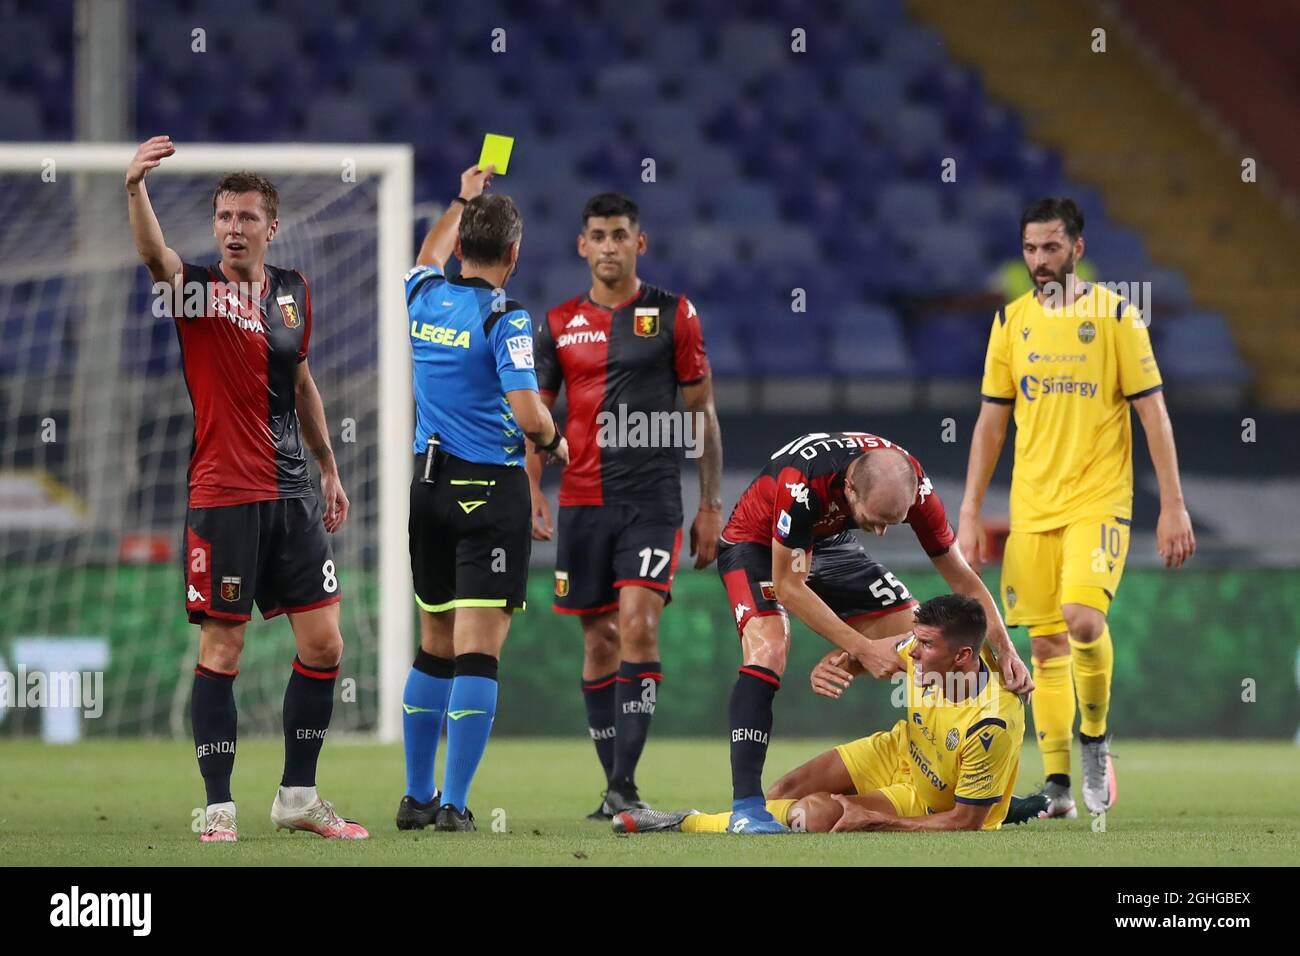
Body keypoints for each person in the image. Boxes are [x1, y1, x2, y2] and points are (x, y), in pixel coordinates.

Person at [126, 135, 365, 842]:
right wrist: (134, 188)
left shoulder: (292, 293)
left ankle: (298, 794)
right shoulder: (195, 288)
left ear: (271, 227)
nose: (233, 228)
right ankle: (220, 805)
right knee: (222, 651)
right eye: (224, 217)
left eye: (246, 218)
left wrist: (328, 465)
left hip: (292, 494)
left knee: (325, 645)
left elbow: (300, 382)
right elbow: (152, 256)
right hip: (225, 494)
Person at [960, 198, 1195, 818]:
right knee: (1044, 650)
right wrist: (968, 511)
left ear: (1077, 250)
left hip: (1100, 500)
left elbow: (1153, 413)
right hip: (1032, 507)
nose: (1040, 261)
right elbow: (991, 423)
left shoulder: (1116, 317)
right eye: (1031, 250)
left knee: (1083, 620)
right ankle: (1059, 786)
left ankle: (1095, 737)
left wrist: (1173, 505)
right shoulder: (1011, 323)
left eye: (1052, 249)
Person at [714, 431, 1032, 834]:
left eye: (891, 523)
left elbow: (963, 580)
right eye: (876, 521)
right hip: (758, 546)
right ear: (849, 489)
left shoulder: (913, 484)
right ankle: (746, 805)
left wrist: (1006, 650)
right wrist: (860, 649)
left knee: (929, 643)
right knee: (769, 650)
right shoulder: (802, 484)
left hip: (829, 543)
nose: (880, 534)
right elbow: (790, 586)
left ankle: (976, 790)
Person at [528, 193, 722, 819]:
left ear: (640, 244)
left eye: (619, 235)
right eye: (598, 236)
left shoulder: (674, 314)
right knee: (600, 640)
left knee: (638, 625)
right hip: (582, 501)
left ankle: (625, 787)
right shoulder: (557, 322)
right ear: (581, 245)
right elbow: (537, 415)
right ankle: (613, 786)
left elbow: (702, 414)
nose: (609, 245)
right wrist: (532, 487)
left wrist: (710, 504)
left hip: (652, 500)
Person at [396, 164, 568, 833]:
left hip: (427, 486)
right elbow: (529, 413)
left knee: (433, 642)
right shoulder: (505, 316)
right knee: (477, 651)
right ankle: (455, 804)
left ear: (463, 245)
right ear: (516, 255)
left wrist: (463, 197)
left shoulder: (423, 296)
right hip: (487, 489)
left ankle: (415, 796)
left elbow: (425, 254)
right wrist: (553, 441)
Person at [613, 595, 1026, 834]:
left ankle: (685, 822)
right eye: (915, 640)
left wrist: (875, 820)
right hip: (900, 749)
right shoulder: (926, 655)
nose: (913, 652)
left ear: (963, 657)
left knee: (814, 814)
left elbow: (967, 821)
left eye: (926, 645)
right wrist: (842, 664)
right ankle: (1021, 804)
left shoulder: (990, 723)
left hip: (928, 800)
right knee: (779, 793)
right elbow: (874, 657)